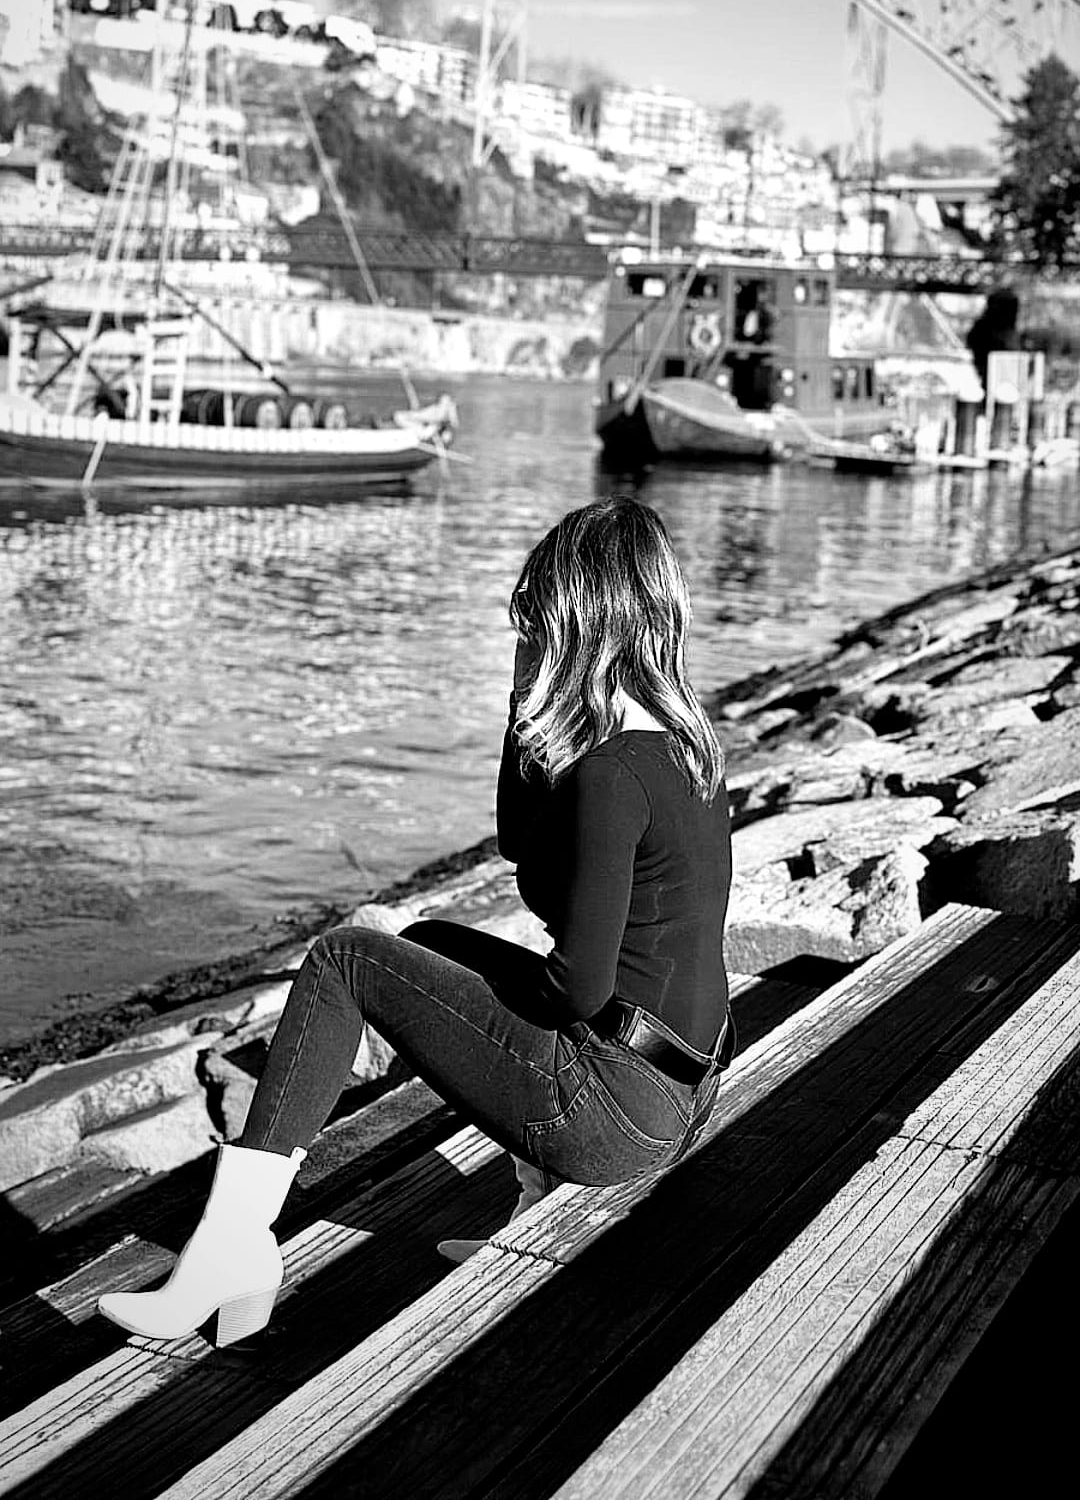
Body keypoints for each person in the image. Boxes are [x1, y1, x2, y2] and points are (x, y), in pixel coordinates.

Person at [98, 496, 734, 1346]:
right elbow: (523, 845)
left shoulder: (611, 775)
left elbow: (576, 987)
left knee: (346, 963)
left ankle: (231, 1248)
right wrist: (525, 717)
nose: (528, 648)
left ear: (577, 626)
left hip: (611, 1114)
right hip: (683, 1092)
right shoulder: (686, 748)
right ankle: (526, 1221)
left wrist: (482, 1024)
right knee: (424, 949)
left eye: (536, 628)